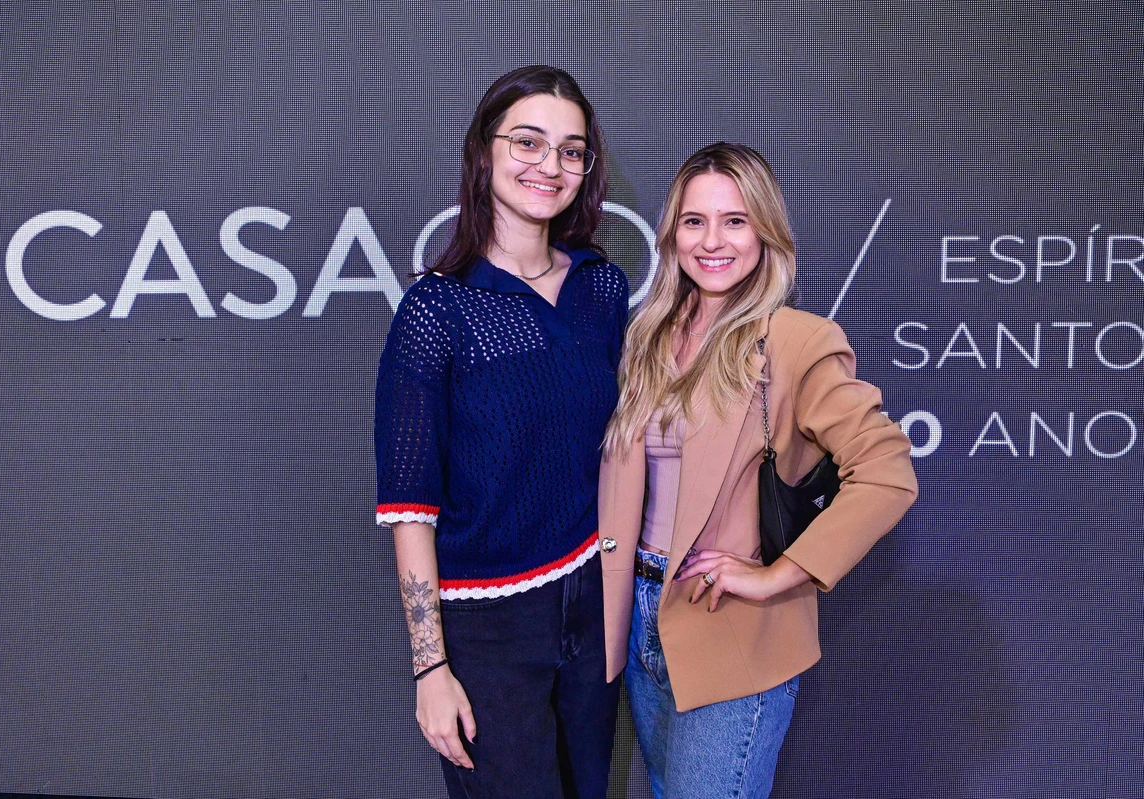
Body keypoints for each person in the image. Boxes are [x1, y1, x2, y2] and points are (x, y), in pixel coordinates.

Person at [598, 142, 918, 798]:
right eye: (694, 221)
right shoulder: (645, 337)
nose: (713, 240)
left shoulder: (795, 340)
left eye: (735, 220)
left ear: (766, 232)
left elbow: (887, 471)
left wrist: (777, 575)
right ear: (672, 234)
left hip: (729, 624)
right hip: (639, 619)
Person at [373, 65, 628, 799]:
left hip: (592, 607)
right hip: (486, 632)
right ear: (484, 153)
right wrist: (431, 668)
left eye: (571, 150)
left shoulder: (600, 289)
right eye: (528, 141)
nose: (550, 165)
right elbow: (409, 510)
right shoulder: (435, 311)